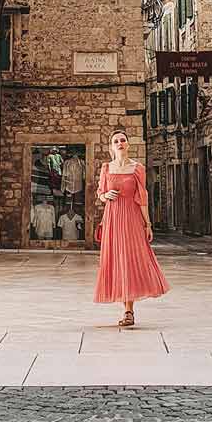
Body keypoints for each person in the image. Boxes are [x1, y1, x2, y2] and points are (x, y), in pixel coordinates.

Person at [93, 128, 169, 327]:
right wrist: (104, 196)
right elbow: (100, 192)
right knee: (116, 260)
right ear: (112, 146)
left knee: (129, 259)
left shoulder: (138, 168)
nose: (120, 143)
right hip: (112, 218)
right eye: (116, 141)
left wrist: (148, 224)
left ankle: (129, 311)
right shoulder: (106, 168)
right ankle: (124, 305)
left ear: (128, 144)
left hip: (132, 218)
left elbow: (142, 198)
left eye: (123, 140)